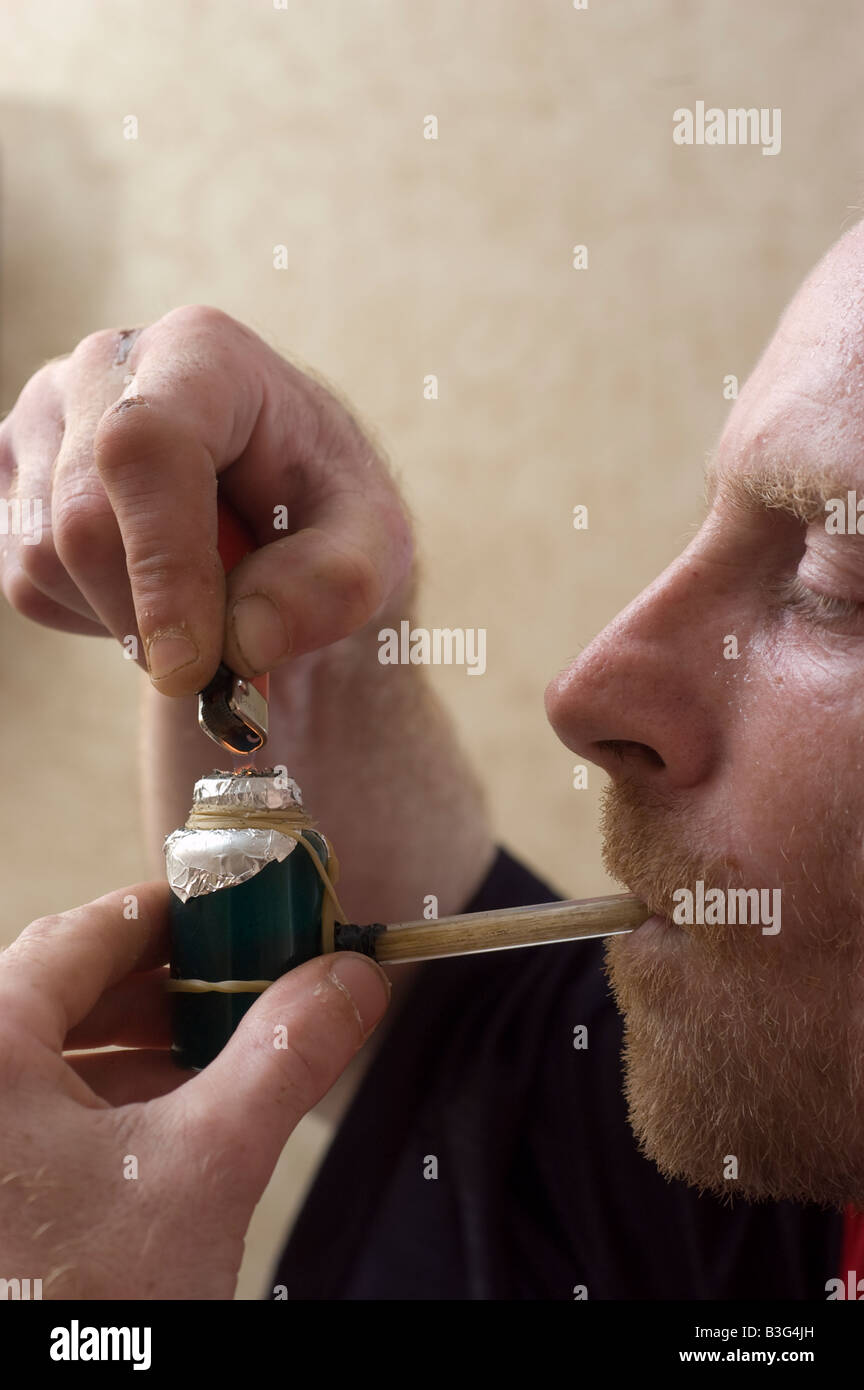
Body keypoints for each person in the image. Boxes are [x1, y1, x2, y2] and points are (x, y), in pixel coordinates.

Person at [2, 212, 863, 1299]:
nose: (586, 689)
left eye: (836, 578)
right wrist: (298, 617)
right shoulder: (785, 1155)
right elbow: (460, 1046)